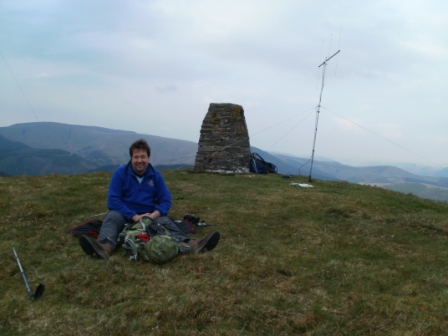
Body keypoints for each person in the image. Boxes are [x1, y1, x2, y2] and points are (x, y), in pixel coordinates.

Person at [79, 138, 220, 259]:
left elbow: (166, 200)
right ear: (131, 158)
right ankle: (104, 247)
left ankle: (192, 244)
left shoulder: (156, 176)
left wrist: (153, 216)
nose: (139, 160)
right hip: (125, 215)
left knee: (165, 221)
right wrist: (134, 216)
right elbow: (113, 200)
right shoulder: (120, 173)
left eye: (143, 157)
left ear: (148, 158)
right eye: (136, 157)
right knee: (111, 217)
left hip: (150, 216)